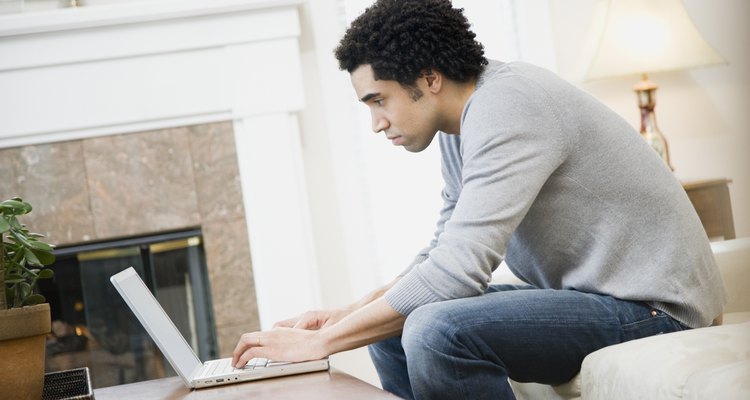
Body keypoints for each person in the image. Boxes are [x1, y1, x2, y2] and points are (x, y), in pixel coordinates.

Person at [232, 1, 727, 398]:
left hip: (657, 311)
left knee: (435, 330)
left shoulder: (510, 106)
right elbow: (443, 253)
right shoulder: (460, 125)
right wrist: (347, 314)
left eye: (379, 101)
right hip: (596, 300)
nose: (377, 123)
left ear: (429, 79)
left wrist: (318, 343)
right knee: (391, 328)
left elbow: (459, 271)